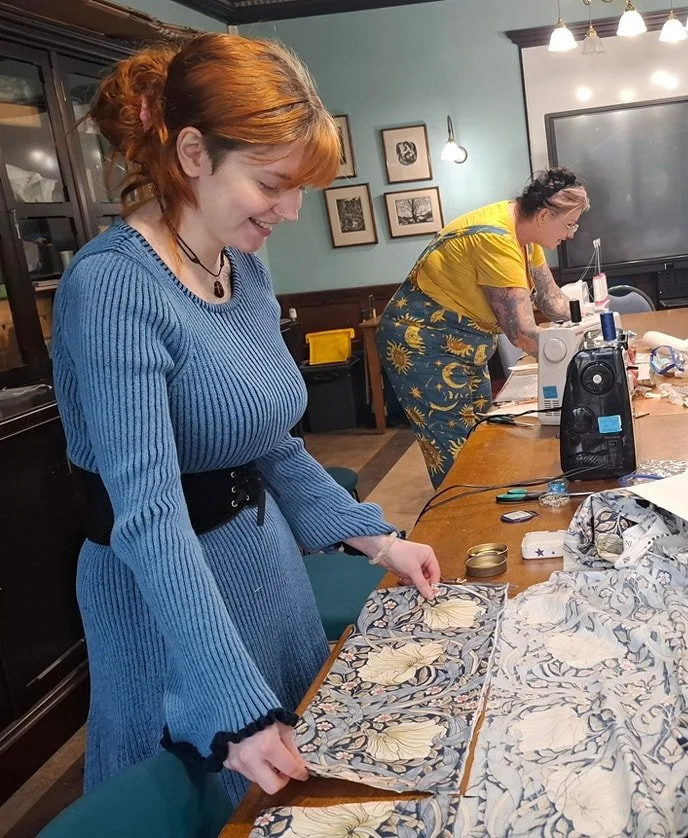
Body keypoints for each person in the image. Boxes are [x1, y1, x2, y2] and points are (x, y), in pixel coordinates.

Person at [51, 32, 441, 804]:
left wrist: (377, 536)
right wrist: (232, 702)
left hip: (263, 569)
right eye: (273, 183)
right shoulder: (113, 291)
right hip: (169, 604)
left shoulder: (244, 267)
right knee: (213, 803)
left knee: (312, 790)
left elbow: (271, 444)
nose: (293, 210)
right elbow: (151, 516)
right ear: (193, 153)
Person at [377, 168, 589, 487]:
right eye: (570, 224)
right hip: (422, 344)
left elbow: (550, 297)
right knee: (455, 449)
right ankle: (461, 524)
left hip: (466, 342)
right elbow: (522, 335)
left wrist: (588, 323)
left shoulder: (525, 234)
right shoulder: (496, 238)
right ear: (545, 215)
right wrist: (581, 362)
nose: (572, 233)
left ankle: (485, 502)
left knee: (482, 433)